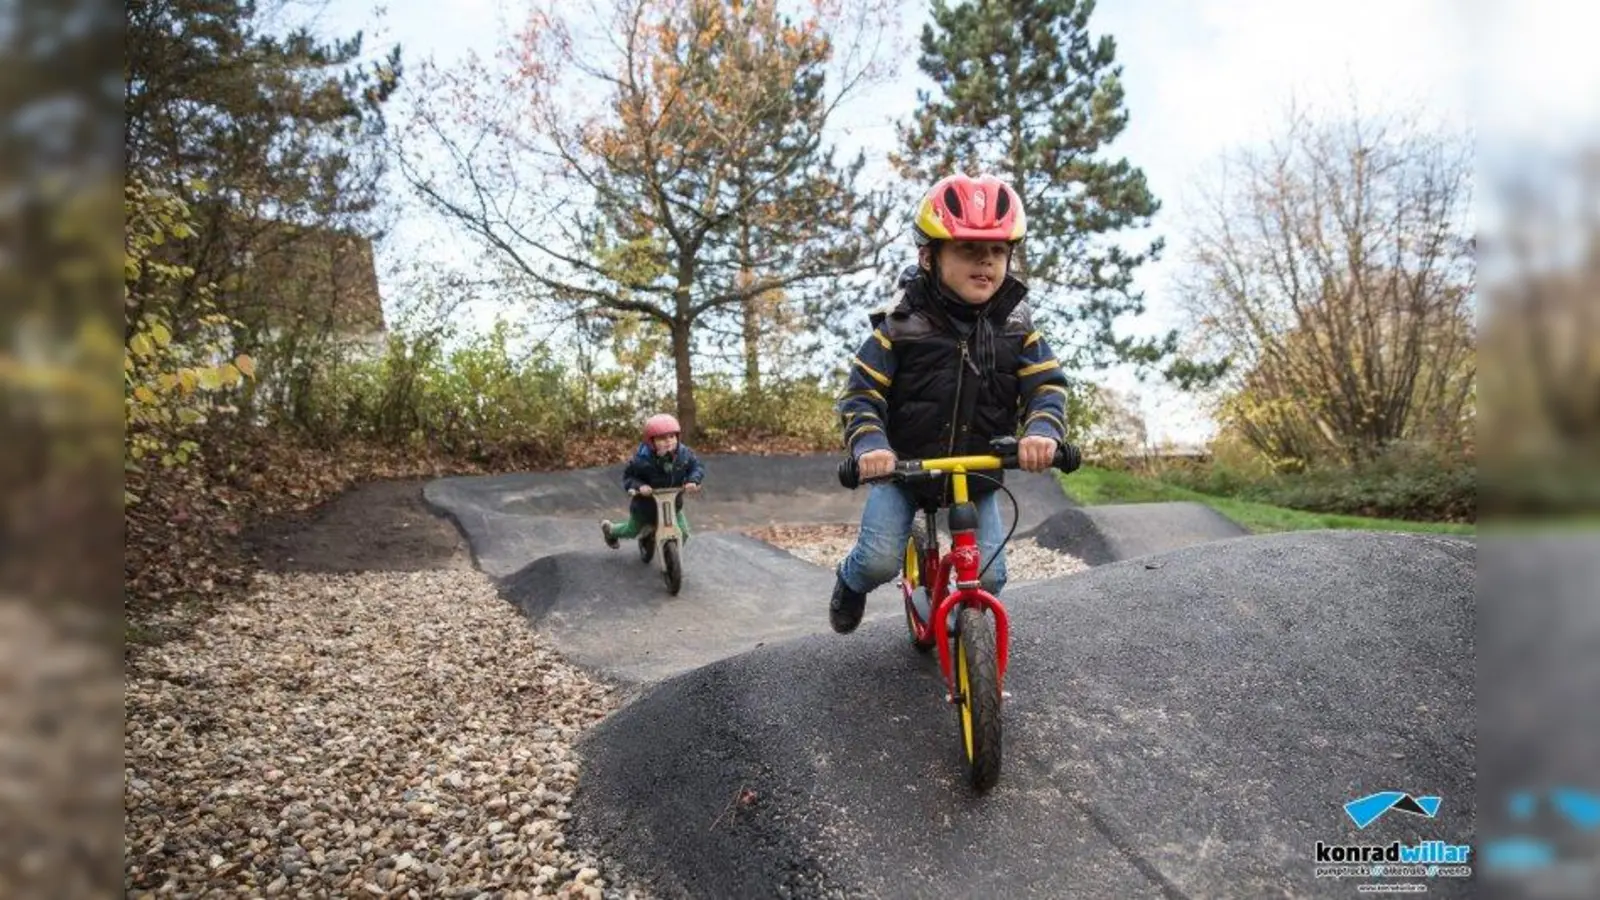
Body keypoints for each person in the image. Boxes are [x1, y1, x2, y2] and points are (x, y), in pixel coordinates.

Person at [829, 173, 1071, 634]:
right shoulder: (898, 327)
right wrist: (870, 447)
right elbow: (862, 393)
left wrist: (1042, 431)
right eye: (967, 248)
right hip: (903, 470)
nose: (986, 260)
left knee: (992, 576)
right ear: (928, 256)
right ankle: (850, 580)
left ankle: (965, 638)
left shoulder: (1017, 330)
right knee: (879, 560)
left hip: (977, 473)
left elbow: (1047, 386)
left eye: (998, 250)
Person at [601, 413, 705, 549]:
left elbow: (696, 467)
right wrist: (640, 486)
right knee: (631, 531)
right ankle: (610, 530)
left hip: (672, 506)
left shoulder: (684, 454)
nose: (668, 441)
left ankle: (671, 558)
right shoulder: (641, 460)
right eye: (662, 438)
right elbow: (629, 477)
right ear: (651, 441)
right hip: (645, 508)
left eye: (672, 436)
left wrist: (693, 480)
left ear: (678, 437)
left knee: (683, 533)